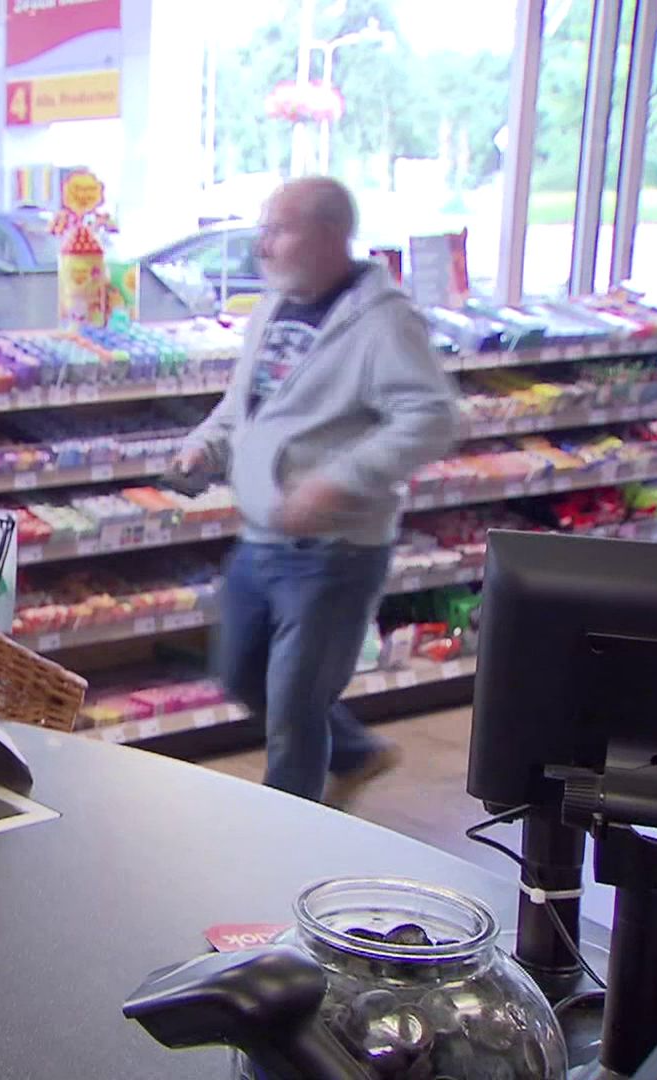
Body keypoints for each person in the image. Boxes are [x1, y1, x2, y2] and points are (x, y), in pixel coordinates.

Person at [174, 177, 457, 806]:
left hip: (336, 549)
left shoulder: (385, 322)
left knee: (295, 708)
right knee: (238, 673)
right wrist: (207, 445)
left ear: (330, 234)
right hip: (262, 535)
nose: (262, 245)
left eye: (279, 230)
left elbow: (431, 417)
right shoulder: (275, 307)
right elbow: (245, 405)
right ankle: (356, 751)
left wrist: (338, 481)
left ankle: (289, 833)